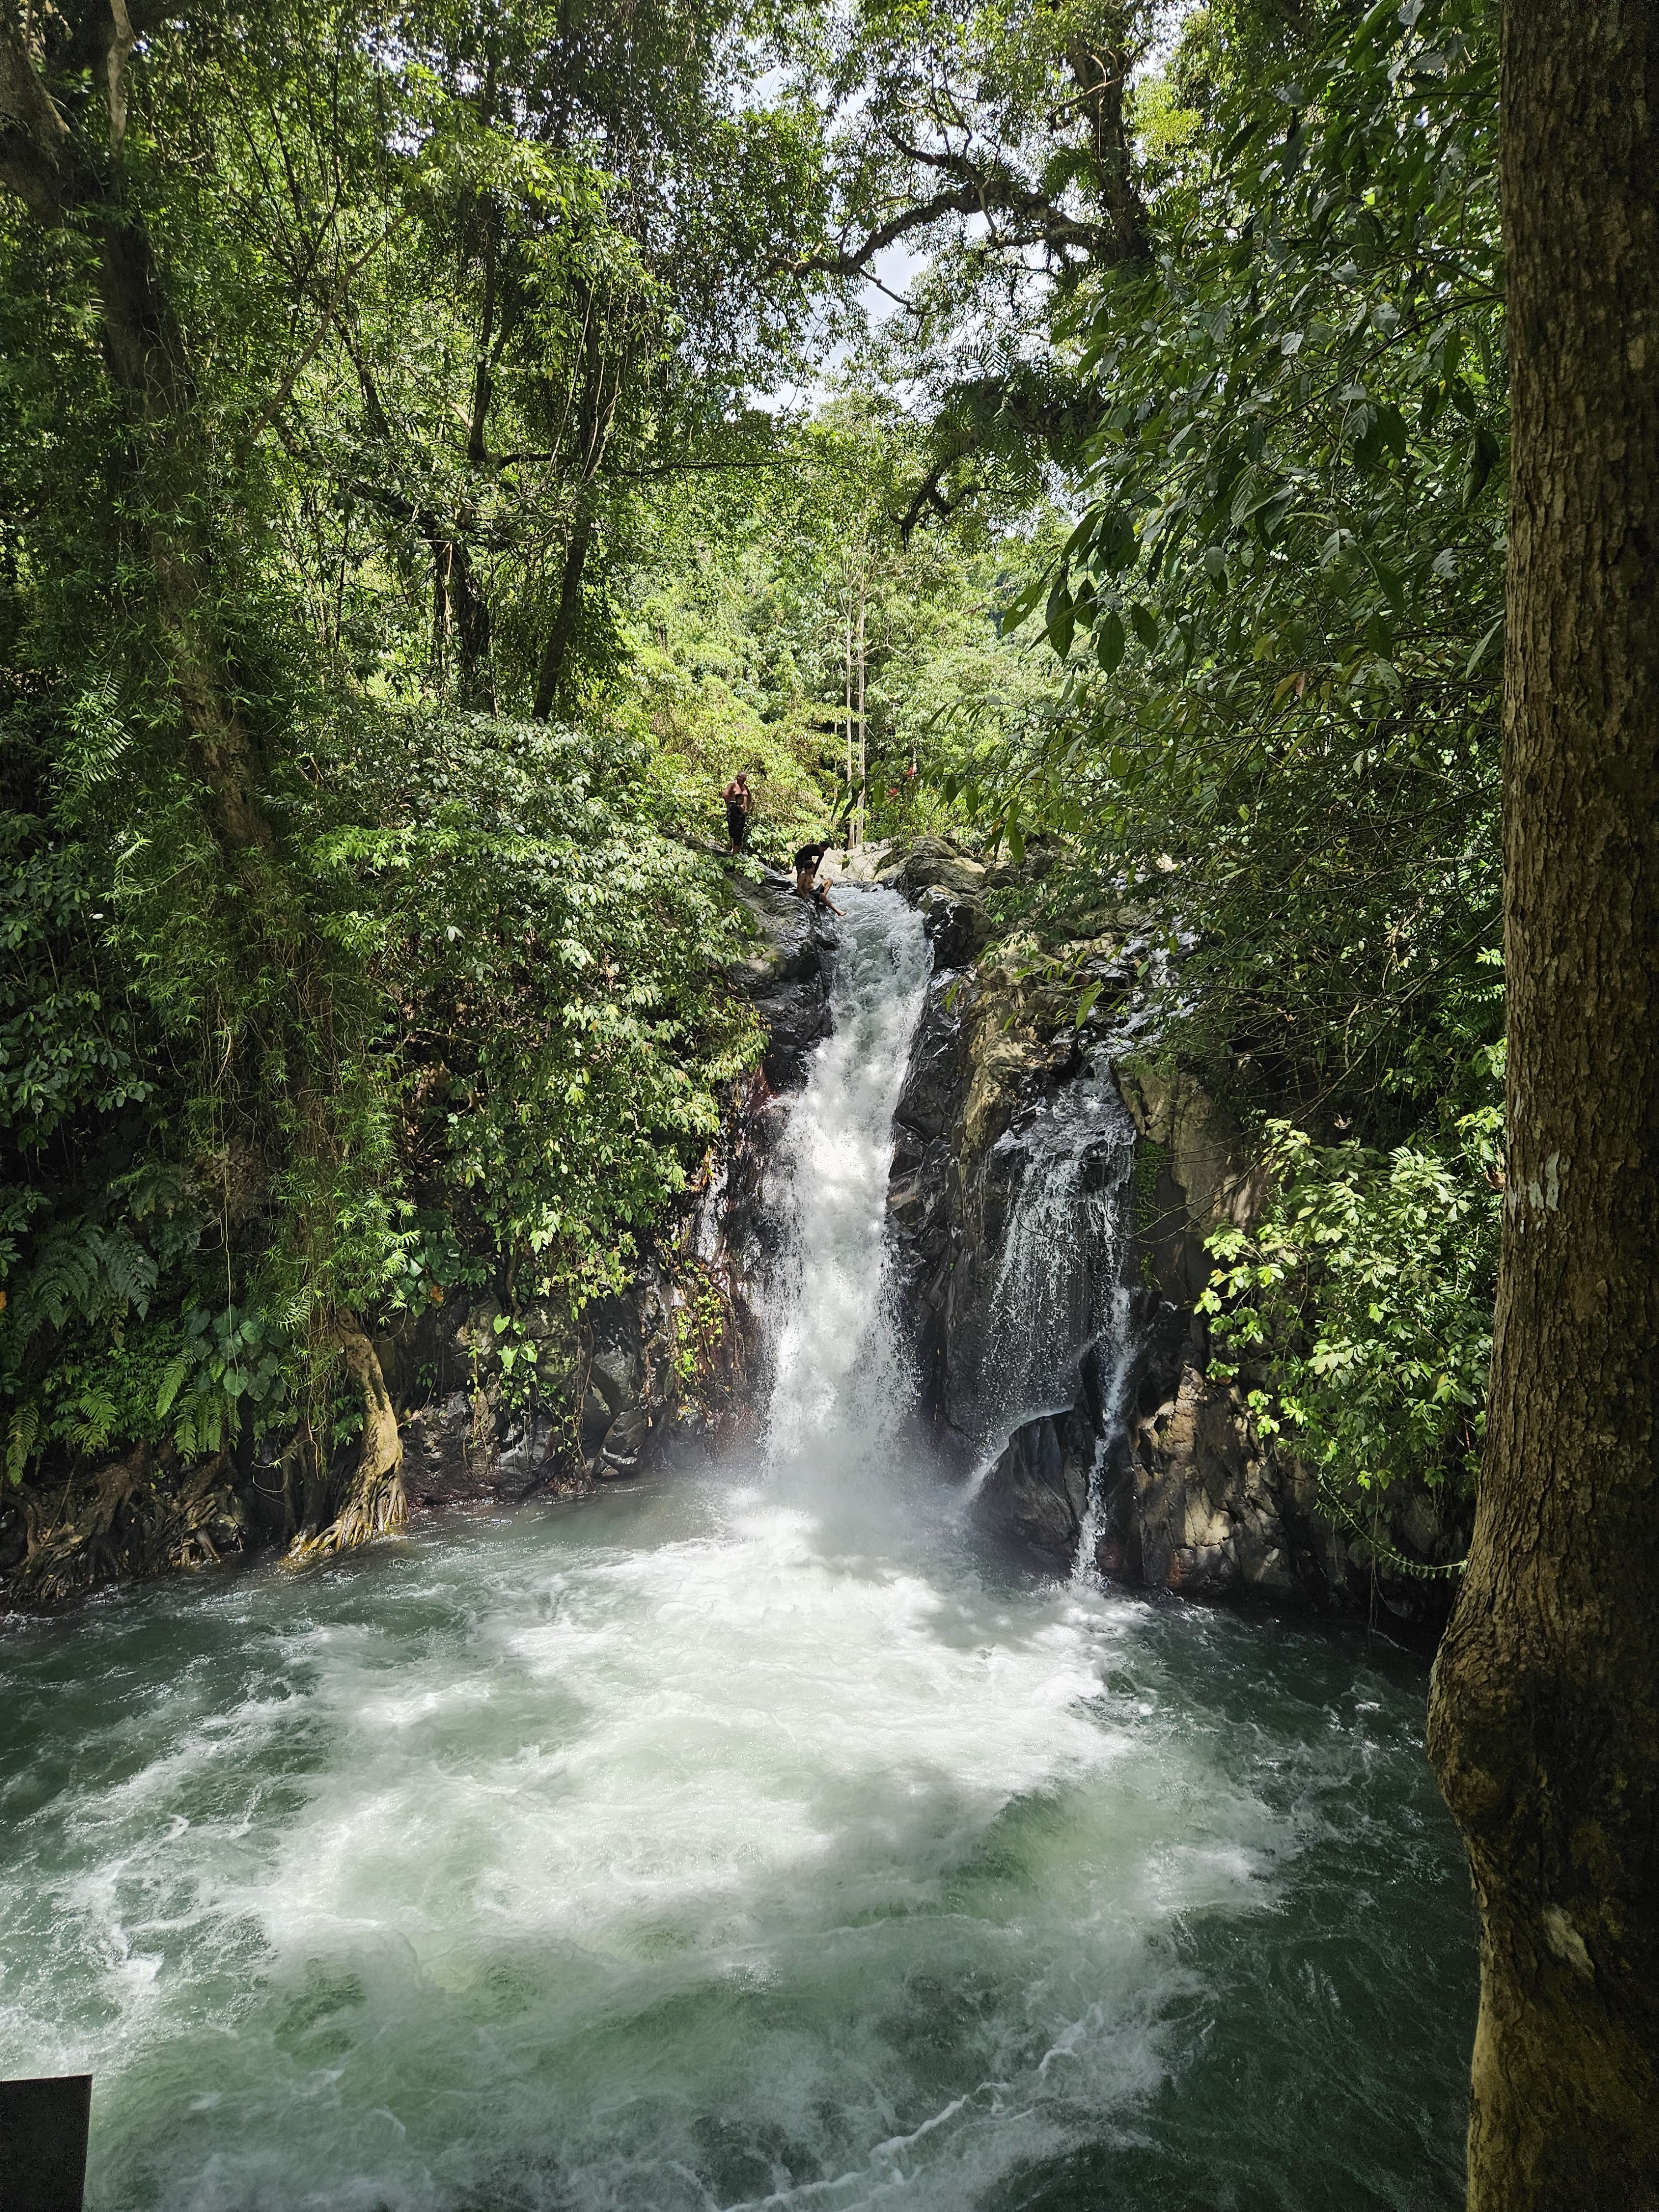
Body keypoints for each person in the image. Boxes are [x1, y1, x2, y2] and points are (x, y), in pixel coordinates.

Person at [792, 841, 842, 915]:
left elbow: (817, 864)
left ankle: (822, 896)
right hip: (800, 857)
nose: (823, 851)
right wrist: (804, 869)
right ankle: (802, 891)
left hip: (808, 860)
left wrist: (814, 873)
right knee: (801, 873)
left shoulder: (822, 854)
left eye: (825, 850)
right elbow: (803, 857)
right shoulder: (811, 847)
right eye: (823, 849)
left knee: (828, 881)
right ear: (820, 846)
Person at [723, 773, 752, 852]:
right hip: (734, 810)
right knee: (733, 828)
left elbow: (749, 797)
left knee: (740, 829)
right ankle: (733, 847)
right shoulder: (732, 785)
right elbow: (725, 795)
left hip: (742, 812)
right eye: (743, 778)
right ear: (739, 778)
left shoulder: (745, 787)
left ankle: (736, 850)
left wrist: (747, 808)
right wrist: (730, 806)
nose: (744, 780)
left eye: (745, 779)